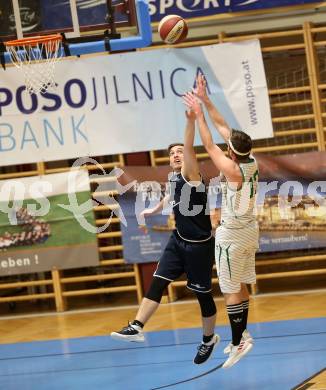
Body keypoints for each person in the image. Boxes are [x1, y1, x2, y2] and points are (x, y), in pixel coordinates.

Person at [111, 110, 220, 365]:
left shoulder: (191, 174)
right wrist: (154, 209)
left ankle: (208, 339)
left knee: (203, 295)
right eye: (172, 153)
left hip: (199, 246)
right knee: (158, 282)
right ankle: (136, 326)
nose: (175, 155)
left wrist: (191, 120)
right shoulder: (174, 179)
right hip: (178, 241)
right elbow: (170, 196)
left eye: (180, 152)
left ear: (189, 157)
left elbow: (190, 147)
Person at [183, 74, 259, 369]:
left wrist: (198, 115)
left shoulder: (232, 170)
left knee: (228, 288)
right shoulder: (251, 162)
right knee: (238, 284)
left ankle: (239, 340)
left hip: (232, 234)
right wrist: (205, 98)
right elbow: (224, 128)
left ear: (231, 152)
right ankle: (243, 336)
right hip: (248, 230)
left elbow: (208, 144)